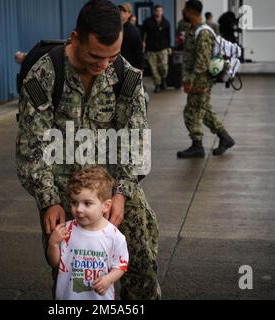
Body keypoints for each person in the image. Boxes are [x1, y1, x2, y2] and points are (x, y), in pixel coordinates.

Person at [16, 0, 161, 300]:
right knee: (72, 278)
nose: (104, 65)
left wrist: (121, 192)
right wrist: (48, 201)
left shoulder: (125, 76)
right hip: (66, 195)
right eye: (96, 55)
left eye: (113, 56)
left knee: (141, 266)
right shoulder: (44, 77)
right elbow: (32, 148)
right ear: (75, 38)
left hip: (116, 186)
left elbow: (136, 142)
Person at [48, 166, 129, 300]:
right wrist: (53, 244)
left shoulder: (114, 236)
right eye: (74, 202)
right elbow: (56, 263)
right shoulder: (66, 230)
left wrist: (108, 279)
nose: (78, 209)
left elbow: (121, 265)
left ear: (106, 206)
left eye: (87, 203)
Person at [177, 0, 235, 159]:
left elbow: (201, 62)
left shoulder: (203, 33)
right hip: (197, 78)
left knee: (191, 112)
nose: (184, 13)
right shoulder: (193, 29)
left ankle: (197, 146)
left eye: (185, 10)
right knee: (205, 111)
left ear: (190, 12)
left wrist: (190, 80)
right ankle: (225, 138)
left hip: (200, 79)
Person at [141, 4, 172, 93]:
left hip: (163, 48)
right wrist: (143, 41)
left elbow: (168, 36)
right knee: (153, 68)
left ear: (162, 12)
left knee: (163, 67)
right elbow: (142, 32)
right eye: (157, 11)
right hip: (151, 48)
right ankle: (157, 84)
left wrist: (169, 47)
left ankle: (163, 79)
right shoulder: (148, 21)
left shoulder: (166, 22)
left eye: (160, 11)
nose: (158, 12)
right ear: (154, 11)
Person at [118, 3, 144, 70]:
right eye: (119, 10)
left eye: (124, 11)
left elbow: (139, 52)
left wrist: (140, 68)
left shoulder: (133, 31)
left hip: (129, 66)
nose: (120, 12)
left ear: (129, 14)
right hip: (115, 65)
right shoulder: (114, 27)